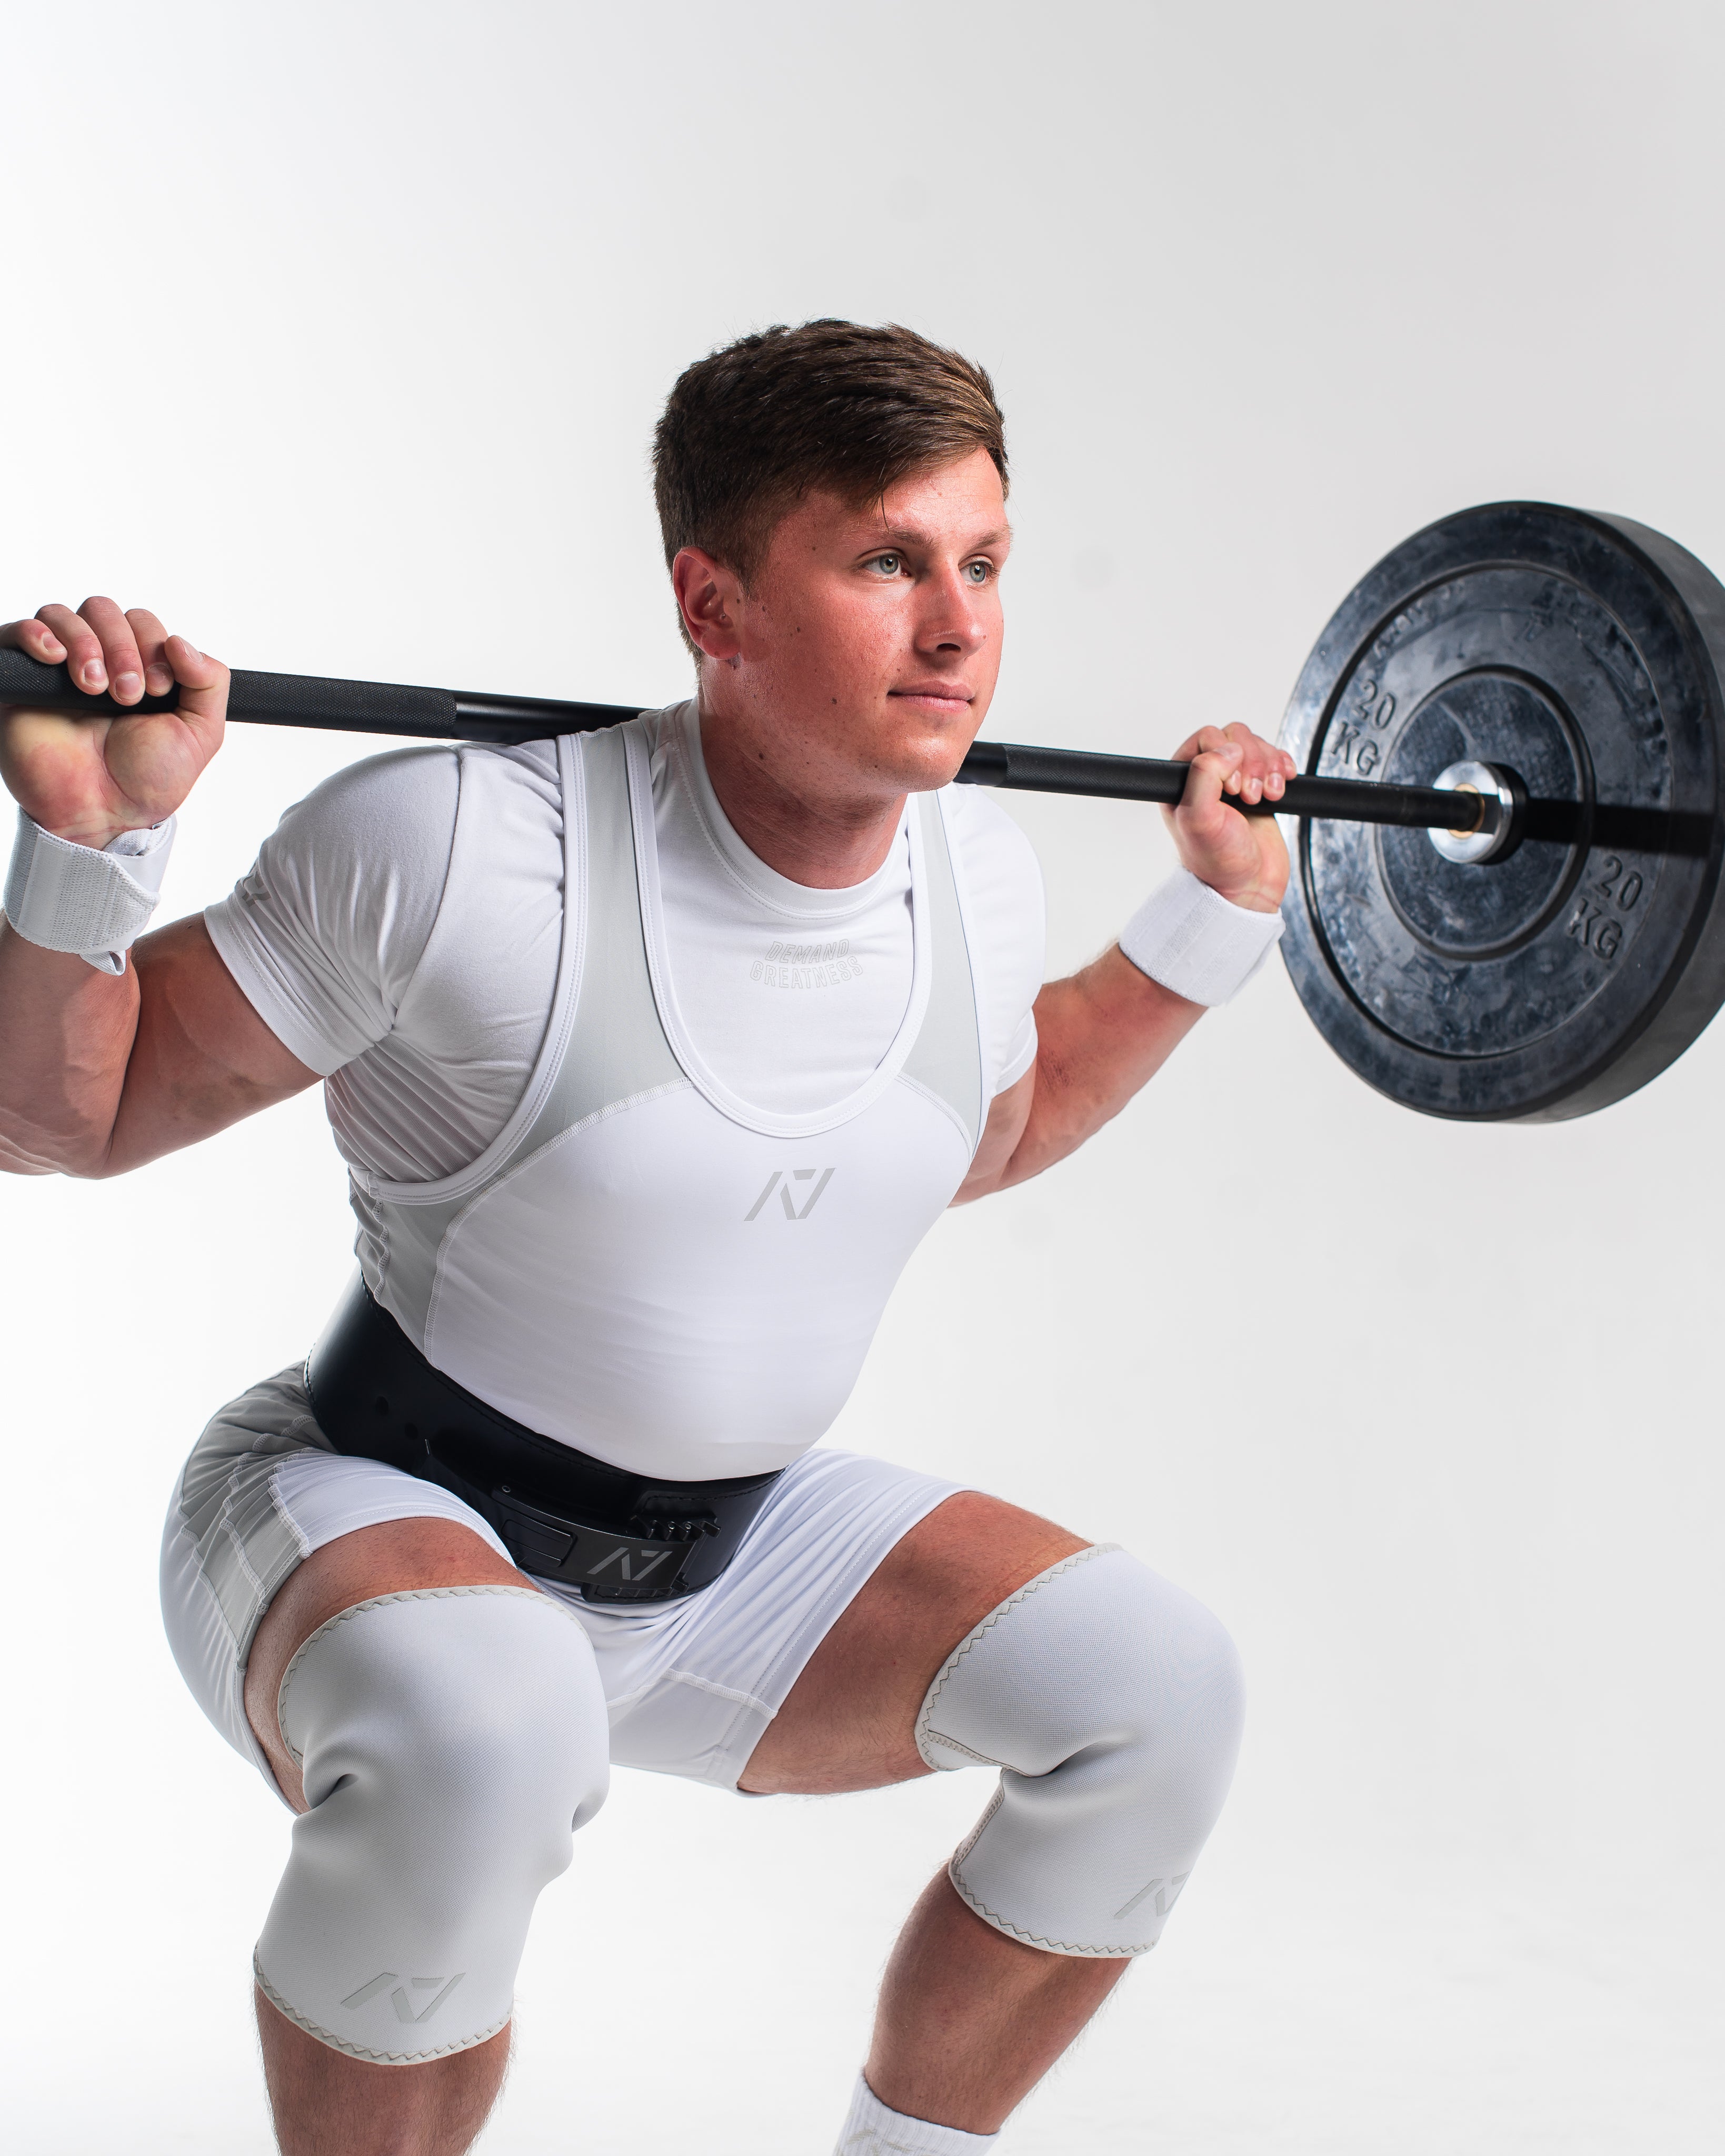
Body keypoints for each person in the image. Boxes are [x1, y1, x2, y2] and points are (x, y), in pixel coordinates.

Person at [0, 320, 1294, 2156]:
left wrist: (1208, 927)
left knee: (1155, 1693)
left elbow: (970, 1136)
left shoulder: (975, 866)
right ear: (715, 603)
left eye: (984, 564)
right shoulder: (457, 848)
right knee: (489, 1721)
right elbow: (67, 1116)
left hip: (724, 1563)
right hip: (363, 1512)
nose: (961, 630)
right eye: (887, 565)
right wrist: (90, 854)